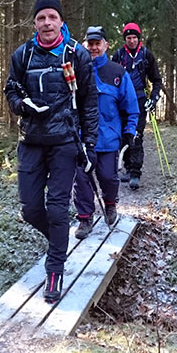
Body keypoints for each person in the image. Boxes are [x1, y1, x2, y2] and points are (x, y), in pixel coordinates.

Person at [4, 0, 98, 303]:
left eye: (52, 17)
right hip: (31, 141)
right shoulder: (23, 55)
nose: (47, 23)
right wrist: (20, 105)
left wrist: (90, 143)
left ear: (60, 21)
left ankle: (54, 270)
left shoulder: (77, 55)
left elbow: (88, 101)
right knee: (31, 210)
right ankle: (58, 240)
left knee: (57, 209)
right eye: (41, 17)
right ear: (34, 23)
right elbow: (11, 89)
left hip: (64, 143)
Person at [73, 26, 139, 239]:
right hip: (82, 137)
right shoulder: (75, 70)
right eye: (89, 44)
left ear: (105, 45)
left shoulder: (117, 72)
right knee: (81, 179)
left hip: (109, 137)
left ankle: (110, 205)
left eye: (97, 43)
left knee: (108, 177)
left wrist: (130, 130)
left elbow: (131, 105)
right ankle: (85, 218)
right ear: (84, 46)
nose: (93, 48)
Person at [111, 22, 163, 190]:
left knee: (136, 135)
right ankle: (126, 166)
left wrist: (154, 98)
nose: (131, 40)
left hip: (140, 99)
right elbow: (110, 79)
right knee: (122, 135)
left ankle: (135, 173)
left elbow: (156, 80)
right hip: (121, 101)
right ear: (125, 39)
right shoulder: (118, 55)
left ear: (139, 38)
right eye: (128, 38)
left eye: (134, 37)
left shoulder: (147, 55)